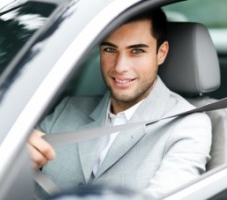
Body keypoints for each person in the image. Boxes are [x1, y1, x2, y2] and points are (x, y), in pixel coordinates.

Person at [28, 8, 212, 199]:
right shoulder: (67, 109)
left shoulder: (188, 125)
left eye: (137, 51)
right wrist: (19, 155)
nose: (120, 67)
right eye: (109, 49)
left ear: (161, 53)